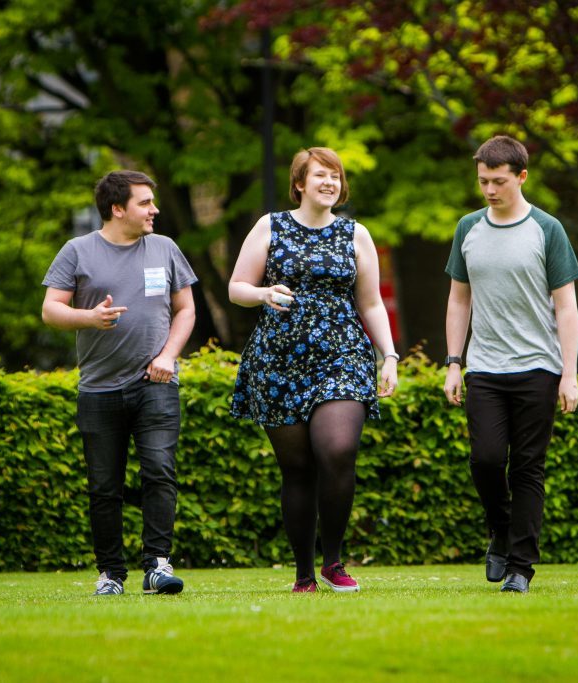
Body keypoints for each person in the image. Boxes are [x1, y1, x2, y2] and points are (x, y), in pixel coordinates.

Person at [229, 147, 399, 593]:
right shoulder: (271, 225)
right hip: (278, 360)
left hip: (342, 354)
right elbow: (235, 288)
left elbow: (371, 302)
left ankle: (334, 560)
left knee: (338, 449)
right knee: (298, 469)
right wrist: (262, 294)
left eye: (336, 177)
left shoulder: (355, 234)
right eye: (320, 175)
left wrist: (390, 356)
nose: (330, 183)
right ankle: (304, 572)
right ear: (299, 183)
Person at [41, 170, 197, 596]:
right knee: (104, 486)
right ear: (117, 209)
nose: (154, 210)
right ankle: (111, 574)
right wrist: (88, 318)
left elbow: (186, 310)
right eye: (145, 203)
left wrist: (167, 356)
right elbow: (51, 310)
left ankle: (158, 567)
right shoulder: (77, 251)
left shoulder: (164, 248)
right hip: (98, 390)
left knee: (160, 472)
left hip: (156, 384)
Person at [443, 135, 578, 594]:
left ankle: (520, 567)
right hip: (483, 367)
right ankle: (500, 532)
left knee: (527, 468)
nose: (488, 190)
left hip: (538, 367)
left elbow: (566, 307)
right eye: (482, 180)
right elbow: (459, 300)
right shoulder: (468, 229)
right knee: (484, 461)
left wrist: (569, 373)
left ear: (521, 177)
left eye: (498, 181)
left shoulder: (548, 229)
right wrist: (453, 362)